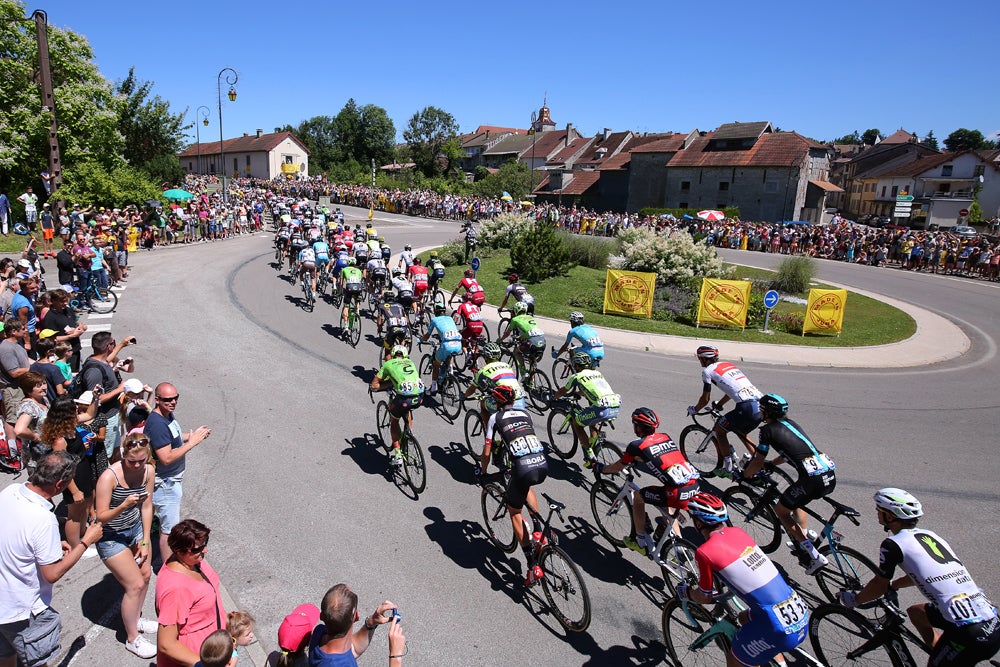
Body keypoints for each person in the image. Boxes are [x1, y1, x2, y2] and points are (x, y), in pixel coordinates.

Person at [837, 489, 1000, 666]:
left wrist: (855, 600)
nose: (877, 513)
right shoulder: (930, 535)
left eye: (879, 510)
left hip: (970, 634)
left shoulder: (892, 544)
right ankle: (943, 653)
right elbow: (926, 574)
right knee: (916, 613)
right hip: (988, 616)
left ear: (890, 516)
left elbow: (879, 584)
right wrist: (895, 585)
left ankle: (947, 657)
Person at [675, 493, 809, 667]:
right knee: (743, 617)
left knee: (734, 658)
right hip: (797, 610)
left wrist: (685, 592)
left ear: (698, 523)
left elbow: (704, 597)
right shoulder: (738, 532)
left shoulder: (705, 552)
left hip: (775, 625)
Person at [0, 451, 104, 667]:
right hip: (21, 611)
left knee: (6, 658)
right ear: (59, 485)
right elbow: (52, 574)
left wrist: (50, 546)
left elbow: (14, 531)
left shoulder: (9, 492)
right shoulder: (43, 519)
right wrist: (86, 541)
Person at [738, 394, 836, 574]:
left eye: (762, 409)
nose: (760, 411)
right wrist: (772, 465)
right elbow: (787, 452)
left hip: (811, 481)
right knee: (795, 501)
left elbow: (759, 459)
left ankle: (813, 556)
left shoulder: (766, 431)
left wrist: (747, 475)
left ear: (767, 412)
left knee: (781, 511)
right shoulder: (792, 424)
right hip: (828, 474)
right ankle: (804, 534)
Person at [592, 407, 700, 556]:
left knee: (638, 496)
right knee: (666, 506)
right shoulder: (665, 436)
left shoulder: (636, 446)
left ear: (637, 426)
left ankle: (640, 541)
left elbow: (617, 467)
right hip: (694, 486)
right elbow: (660, 456)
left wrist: (601, 468)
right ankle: (680, 549)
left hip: (675, 492)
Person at [475, 384, 549, 586]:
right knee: (526, 488)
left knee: (514, 511)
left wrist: (483, 472)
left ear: (496, 402)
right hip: (541, 463)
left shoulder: (494, 418)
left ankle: (532, 565)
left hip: (522, 467)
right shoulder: (525, 413)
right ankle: (537, 531)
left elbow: (487, 451)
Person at [93, 432, 157, 658]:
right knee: (135, 585)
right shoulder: (109, 478)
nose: (137, 466)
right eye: (132, 461)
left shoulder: (148, 470)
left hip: (135, 529)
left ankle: (136, 618)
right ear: (123, 454)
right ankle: (132, 639)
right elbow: (100, 516)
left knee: (146, 574)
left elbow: (147, 506)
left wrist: (146, 539)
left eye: (142, 460)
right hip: (110, 536)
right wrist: (123, 505)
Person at [145, 382, 212, 564]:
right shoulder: (157, 424)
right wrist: (192, 443)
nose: (173, 402)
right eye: (168, 399)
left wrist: (190, 436)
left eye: (175, 398)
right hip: (165, 484)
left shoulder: (166, 416)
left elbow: (172, 437)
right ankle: (168, 568)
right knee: (169, 530)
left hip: (171, 481)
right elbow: (165, 457)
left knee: (166, 526)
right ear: (157, 400)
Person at [156, 519, 228, 667]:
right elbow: (166, 644)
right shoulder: (175, 588)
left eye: (205, 543)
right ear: (179, 551)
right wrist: (201, 664)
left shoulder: (193, 562)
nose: (205, 550)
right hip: (197, 656)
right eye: (197, 549)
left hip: (214, 650)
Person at [687, 345, 763, 475]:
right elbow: (732, 388)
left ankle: (728, 468)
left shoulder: (707, 372)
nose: (699, 360)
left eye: (699, 358)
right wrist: (720, 404)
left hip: (746, 406)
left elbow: (705, 399)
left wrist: (695, 409)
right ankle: (759, 464)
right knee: (741, 431)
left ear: (704, 359)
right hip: (761, 405)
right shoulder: (729, 365)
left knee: (719, 430)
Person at [550, 350, 621, 465]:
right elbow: (593, 387)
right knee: (593, 420)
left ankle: (589, 453)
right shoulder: (597, 373)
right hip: (615, 405)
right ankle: (592, 442)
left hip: (602, 408)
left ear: (576, 365)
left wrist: (554, 397)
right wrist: (579, 393)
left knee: (577, 424)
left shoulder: (577, 376)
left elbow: (563, 390)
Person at [307, 583, 405, 667]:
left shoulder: (320, 632)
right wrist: (395, 656)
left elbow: (352, 649)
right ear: (356, 616)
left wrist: (371, 623)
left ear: (322, 616)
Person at [80, 331, 136, 460]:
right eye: (113, 343)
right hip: (105, 418)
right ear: (108, 346)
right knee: (106, 454)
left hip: (113, 414)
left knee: (116, 451)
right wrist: (119, 389)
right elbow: (94, 400)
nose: (114, 345)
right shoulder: (94, 371)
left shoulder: (103, 362)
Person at [369, 345, 423, 468]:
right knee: (408, 409)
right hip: (420, 397)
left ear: (393, 355)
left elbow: (375, 385)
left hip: (403, 399)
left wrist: (378, 386)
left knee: (394, 420)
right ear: (405, 355)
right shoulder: (410, 362)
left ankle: (398, 455)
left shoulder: (388, 364)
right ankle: (409, 433)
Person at [420, 301, 462, 394]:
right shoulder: (450, 319)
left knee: (436, 364)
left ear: (435, 311)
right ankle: (450, 372)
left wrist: (421, 340)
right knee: (449, 355)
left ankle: (434, 388)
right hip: (458, 344)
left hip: (447, 345)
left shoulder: (434, 320)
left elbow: (427, 336)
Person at [499, 301, 545, 375]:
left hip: (532, 343)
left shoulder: (515, 319)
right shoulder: (531, 317)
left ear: (516, 310)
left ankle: (523, 373)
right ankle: (531, 382)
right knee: (531, 360)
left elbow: (507, 333)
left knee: (517, 352)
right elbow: (530, 332)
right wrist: (520, 337)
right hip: (542, 342)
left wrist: (500, 340)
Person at [375, 292, 411, 363]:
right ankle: (403, 354)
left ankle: (389, 368)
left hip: (393, 329)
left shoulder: (381, 305)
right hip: (404, 327)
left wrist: (379, 328)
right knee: (402, 340)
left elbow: (379, 321)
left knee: (387, 351)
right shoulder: (399, 305)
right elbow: (407, 320)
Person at [453, 292, 485, 357]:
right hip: (480, 325)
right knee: (474, 341)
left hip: (471, 325)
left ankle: (467, 356)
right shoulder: (475, 306)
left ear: (464, 299)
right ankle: (475, 358)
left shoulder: (461, 306)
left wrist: (452, 326)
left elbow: (456, 316)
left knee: (462, 338)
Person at [339, 258, 364, 330]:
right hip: (358, 287)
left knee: (346, 306)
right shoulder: (359, 271)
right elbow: (360, 281)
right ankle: (357, 311)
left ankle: (346, 326)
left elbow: (341, 283)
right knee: (357, 299)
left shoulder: (344, 269)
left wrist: (340, 292)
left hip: (349, 287)